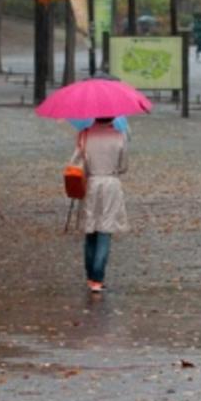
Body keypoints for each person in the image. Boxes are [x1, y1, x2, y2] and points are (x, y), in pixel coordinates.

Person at [71, 117, 128, 293]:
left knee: (90, 230)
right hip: (111, 184)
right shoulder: (120, 136)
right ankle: (98, 278)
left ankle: (90, 276)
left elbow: (75, 163)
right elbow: (124, 166)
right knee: (105, 231)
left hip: (91, 184)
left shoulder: (85, 135)